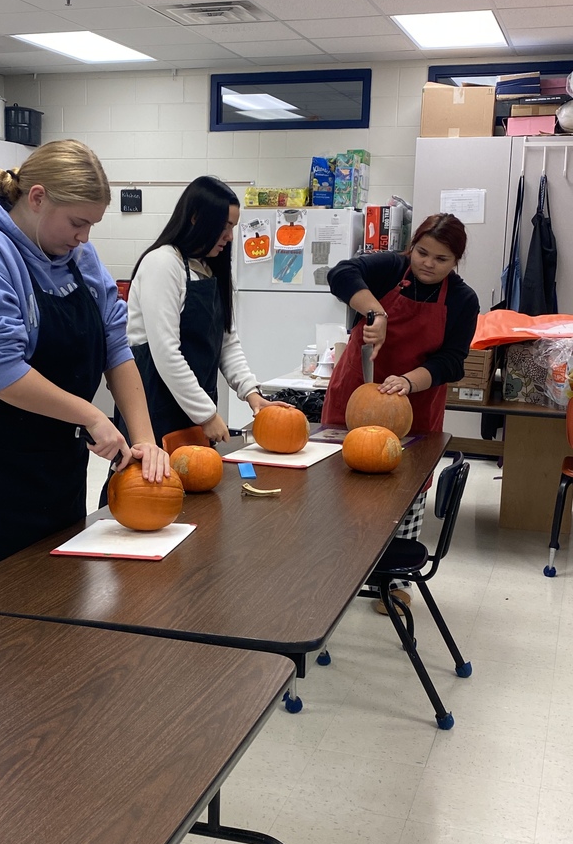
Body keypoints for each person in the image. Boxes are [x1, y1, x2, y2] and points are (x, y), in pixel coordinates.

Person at [0, 139, 170, 575]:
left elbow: (116, 348)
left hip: (57, 459)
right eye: (77, 222)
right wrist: (92, 415)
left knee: (59, 588)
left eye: (91, 225)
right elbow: (3, 373)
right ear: (38, 198)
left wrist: (145, 441)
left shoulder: (79, 256)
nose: (84, 237)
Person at [321, 212, 479, 613]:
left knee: (404, 490)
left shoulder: (462, 300)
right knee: (342, 483)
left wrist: (408, 381)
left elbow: (452, 361)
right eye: (422, 252)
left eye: (441, 259)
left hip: (414, 404)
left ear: (456, 261)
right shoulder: (390, 268)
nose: (427, 264)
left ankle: (392, 579)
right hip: (357, 393)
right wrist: (377, 312)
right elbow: (340, 273)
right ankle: (338, 571)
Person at [122, 176, 288, 448]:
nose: (230, 237)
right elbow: (166, 353)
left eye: (232, 227)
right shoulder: (163, 264)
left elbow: (227, 343)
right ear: (196, 218)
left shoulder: (210, 269)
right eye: (224, 226)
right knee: (153, 475)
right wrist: (207, 414)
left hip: (193, 404)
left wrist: (252, 393)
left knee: (198, 472)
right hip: (155, 407)